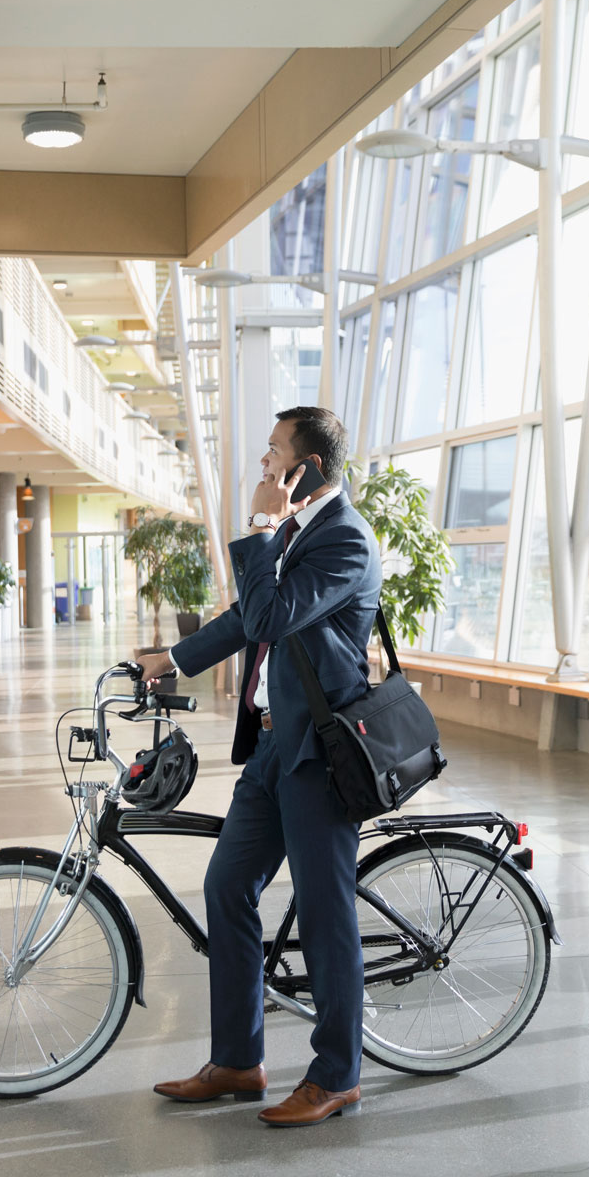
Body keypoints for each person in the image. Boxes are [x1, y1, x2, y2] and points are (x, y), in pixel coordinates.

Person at [137, 405, 380, 1128]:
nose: (265, 465)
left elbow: (272, 619)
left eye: (275, 452)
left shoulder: (345, 541)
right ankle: (240, 1060)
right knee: (228, 885)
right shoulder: (301, 535)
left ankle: (338, 1074)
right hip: (275, 745)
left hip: (320, 755)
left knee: (325, 912)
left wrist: (263, 529)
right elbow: (250, 615)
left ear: (307, 467)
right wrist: (171, 659)